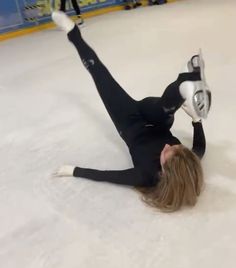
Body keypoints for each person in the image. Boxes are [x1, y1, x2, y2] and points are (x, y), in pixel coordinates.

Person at [51, 11, 211, 212]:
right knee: (163, 109)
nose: (168, 146)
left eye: (167, 153)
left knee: (100, 75)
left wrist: (73, 171)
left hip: (129, 122)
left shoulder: (145, 175)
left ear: (164, 171)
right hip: (157, 121)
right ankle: (185, 82)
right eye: (175, 147)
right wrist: (196, 120)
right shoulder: (186, 162)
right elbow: (200, 150)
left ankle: (73, 33)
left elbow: (108, 176)